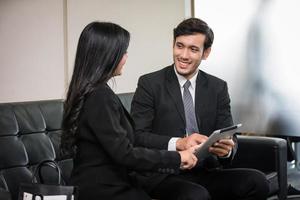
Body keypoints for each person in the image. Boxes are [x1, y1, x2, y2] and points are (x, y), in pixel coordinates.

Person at [131, 18, 270, 200]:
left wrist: (227, 150)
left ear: (206, 53)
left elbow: (228, 135)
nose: (184, 55)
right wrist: (180, 143)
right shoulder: (149, 84)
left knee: (257, 181)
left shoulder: (217, 87)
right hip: (164, 174)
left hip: (205, 170)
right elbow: (137, 136)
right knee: (196, 195)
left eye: (193, 49)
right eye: (179, 46)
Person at [60, 21, 199, 200]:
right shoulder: (99, 96)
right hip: (104, 190)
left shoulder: (90, 91)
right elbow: (124, 153)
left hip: (113, 184)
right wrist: (177, 158)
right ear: (109, 55)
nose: (126, 57)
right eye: (124, 52)